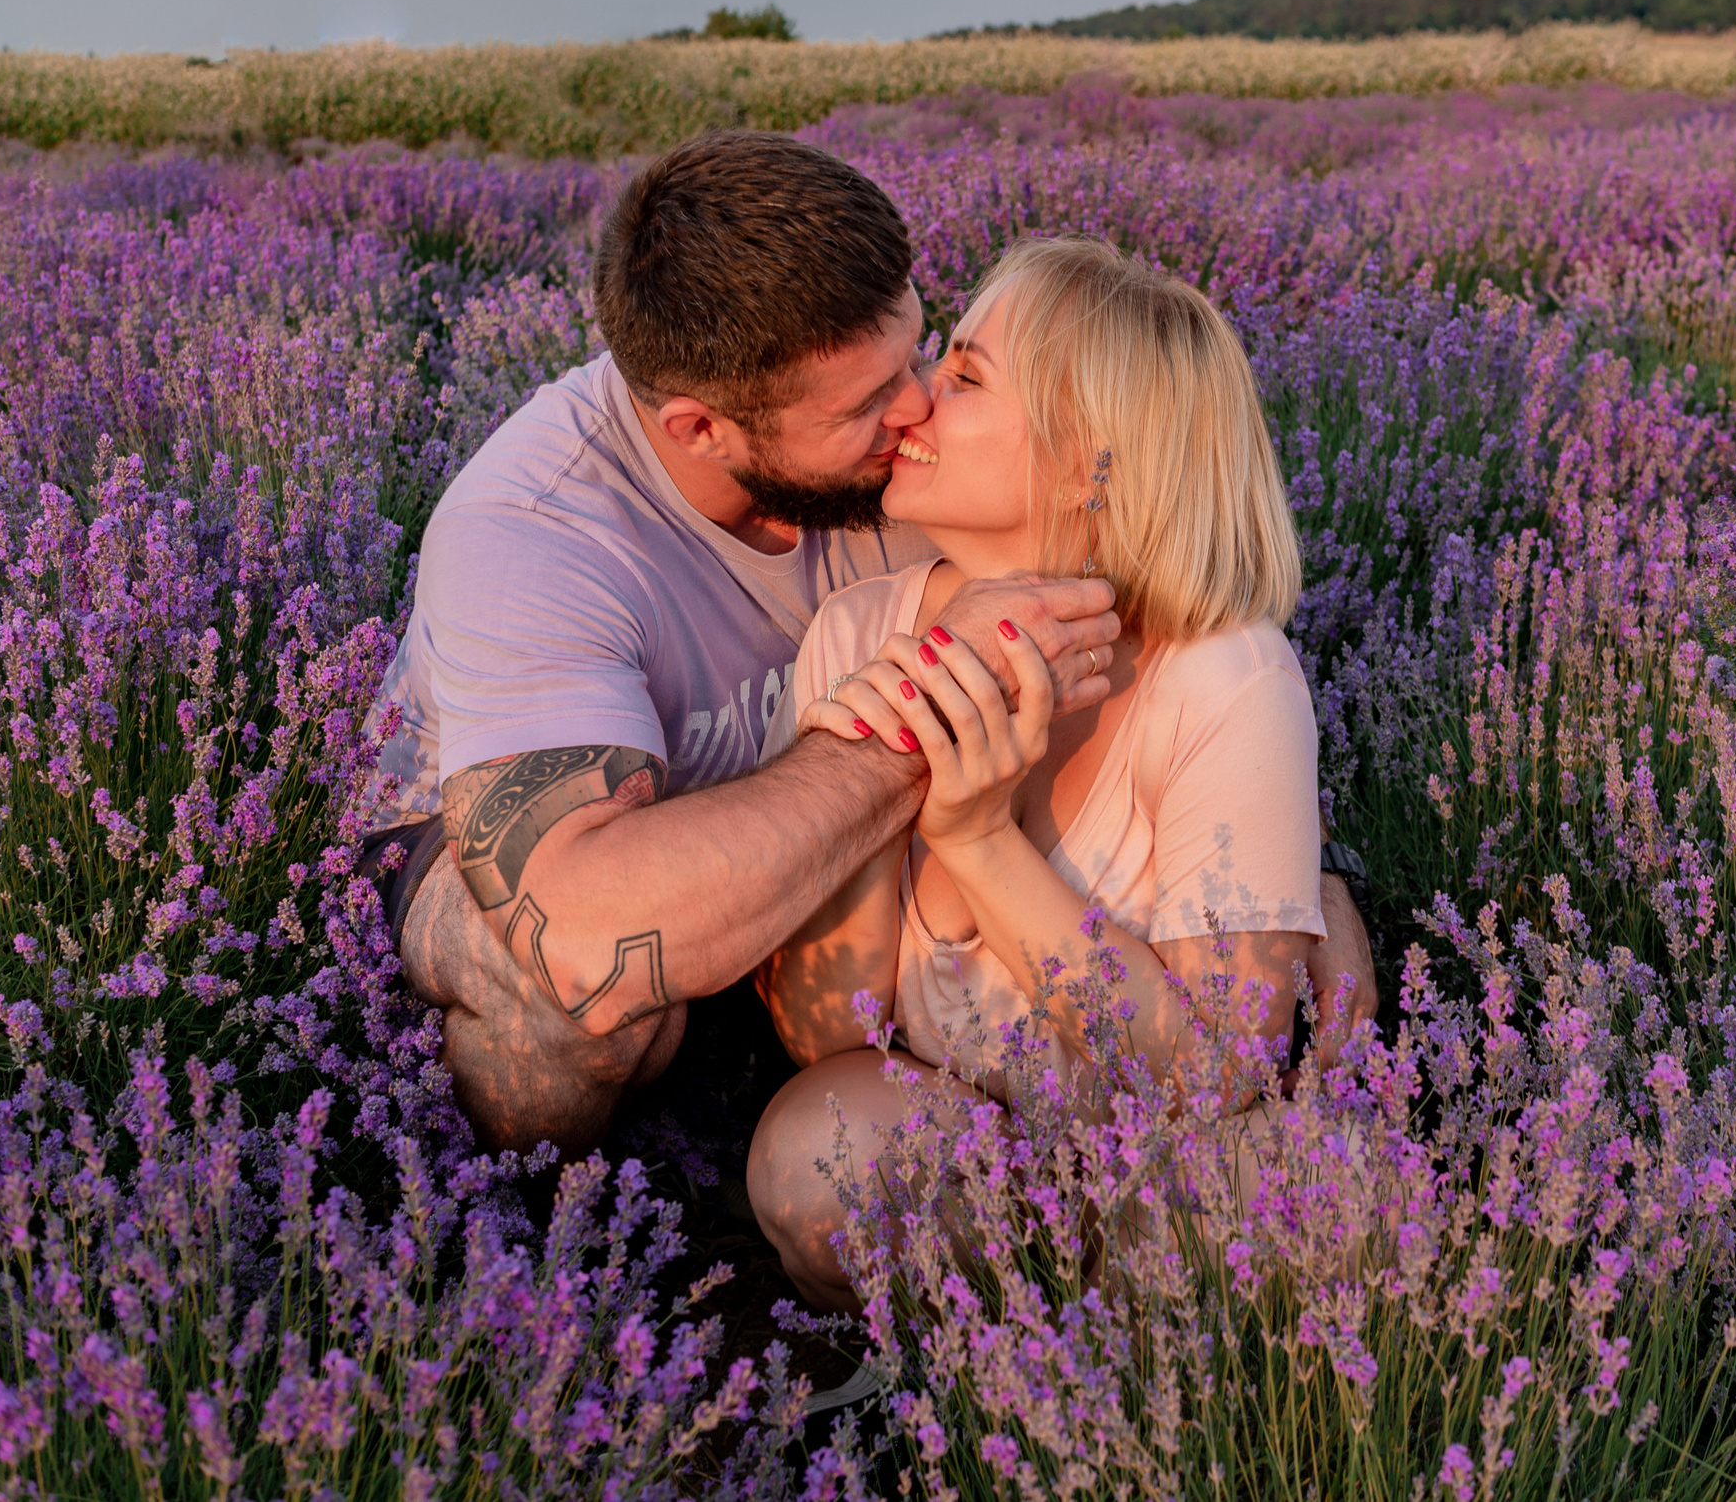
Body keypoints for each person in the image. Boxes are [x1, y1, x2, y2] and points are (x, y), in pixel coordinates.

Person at [361, 132, 1376, 1159]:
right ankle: (517, 1239)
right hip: (554, 851)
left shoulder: (902, 468)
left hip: (818, 874)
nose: (915, 408)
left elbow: (1159, 554)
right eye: (861, 406)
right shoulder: (537, 530)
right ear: (701, 429)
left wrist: (1296, 878)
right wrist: (930, 719)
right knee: (572, 1004)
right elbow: (585, 933)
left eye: (926, 354)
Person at [746, 236, 1338, 1312]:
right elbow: (829, 1036)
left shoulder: (1223, 679)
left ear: (1087, 462)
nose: (911, 404)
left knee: (1299, 1201)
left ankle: (1110, 1369)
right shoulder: (858, 632)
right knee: (810, 1155)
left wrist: (976, 838)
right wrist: (873, 780)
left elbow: (1216, 1078)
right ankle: (1011, 1354)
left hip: (1172, 1150)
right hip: (966, 1144)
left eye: (963, 378)